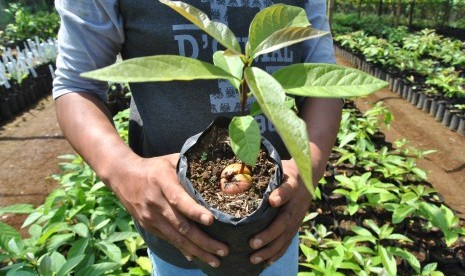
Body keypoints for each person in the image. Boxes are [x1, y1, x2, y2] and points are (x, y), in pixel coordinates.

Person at [53, 0, 343, 275]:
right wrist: (121, 169)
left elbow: (324, 81)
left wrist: (309, 170)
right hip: (172, 236)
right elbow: (76, 84)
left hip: (275, 224)